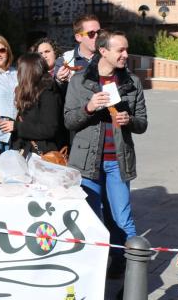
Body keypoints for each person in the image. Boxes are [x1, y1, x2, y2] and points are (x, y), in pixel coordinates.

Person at [64, 29, 147, 278]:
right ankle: (91, 270)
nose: (125, 54)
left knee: (123, 219)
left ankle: (131, 269)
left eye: (126, 49)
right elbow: (69, 120)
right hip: (87, 162)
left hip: (117, 162)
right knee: (91, 219)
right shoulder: (80, 81)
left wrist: (129, 119)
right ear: (103, 51)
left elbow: (143, 123)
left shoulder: (131, 82)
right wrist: (88, 108)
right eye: (120, 50)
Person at [8, 53, 67, 156]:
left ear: (28, 71)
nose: (18, 73)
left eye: (20, 69)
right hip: (26, 151)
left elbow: (49, 129)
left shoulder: (49, 93)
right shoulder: (30, 91)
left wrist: (17, 127)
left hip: (43, 155)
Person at [54, 14, 101, 87]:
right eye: (91, 33)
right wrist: (59, 80)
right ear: (78, 37)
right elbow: (57, 94)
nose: (97, 36)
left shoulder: (109, 56)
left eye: (99, 32)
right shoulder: (65, 59)